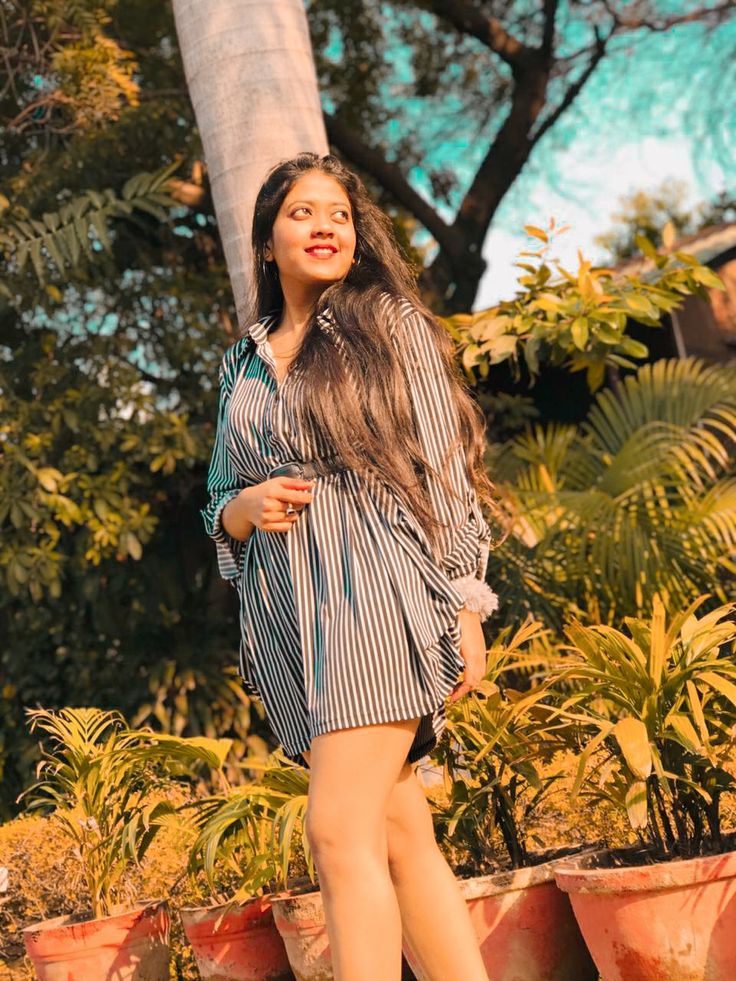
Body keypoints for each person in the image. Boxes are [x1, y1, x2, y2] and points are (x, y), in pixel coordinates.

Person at [201, 152, 501, 980]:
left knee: (336, 831)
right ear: (267, 242)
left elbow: (442, 464)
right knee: (402, 836)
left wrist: (465, 602)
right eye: (302, 212)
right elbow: (218, 498)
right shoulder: (242, 363)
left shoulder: (386, 324)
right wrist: (245, 505)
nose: (325, 224)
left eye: (338, 212)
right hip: (293, 611)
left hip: (377, 587)